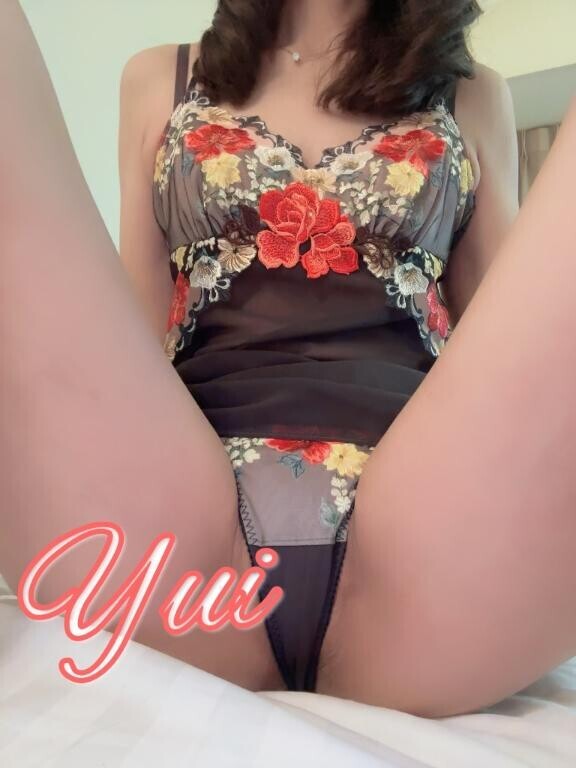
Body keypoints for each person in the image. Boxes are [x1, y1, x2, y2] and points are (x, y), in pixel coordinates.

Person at [2, 0, 576, 718]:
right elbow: (136, 336)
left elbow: (499, 338)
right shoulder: (157, 80)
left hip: (431, 528)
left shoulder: (473, 94)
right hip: (177, 517)